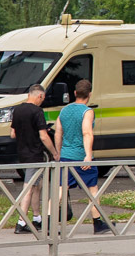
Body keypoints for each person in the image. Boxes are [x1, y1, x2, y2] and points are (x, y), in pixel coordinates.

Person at [57, 78, 112, 235]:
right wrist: (88, 156)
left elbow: (59, 132)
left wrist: (58, 152)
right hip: (81, 157)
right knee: (92, 189)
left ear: (75, 93)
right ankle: (97, 223)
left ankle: (49, 223)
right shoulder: (87, 111)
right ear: (90, 94)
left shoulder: (64, 110)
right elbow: (87, 132)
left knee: (60, 189)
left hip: (66, 156)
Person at [10, 83, 57, 234]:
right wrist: (55, 152)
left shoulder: (17, 110)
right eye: (42, 99)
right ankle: (21, 222)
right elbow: (43, 136)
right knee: (29, 188)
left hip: (22, 153)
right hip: (34, 154)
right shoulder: (37, 111)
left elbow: (13, 134)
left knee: (37, 185)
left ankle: (37, 218)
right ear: (40, 96)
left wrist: (28, 131)